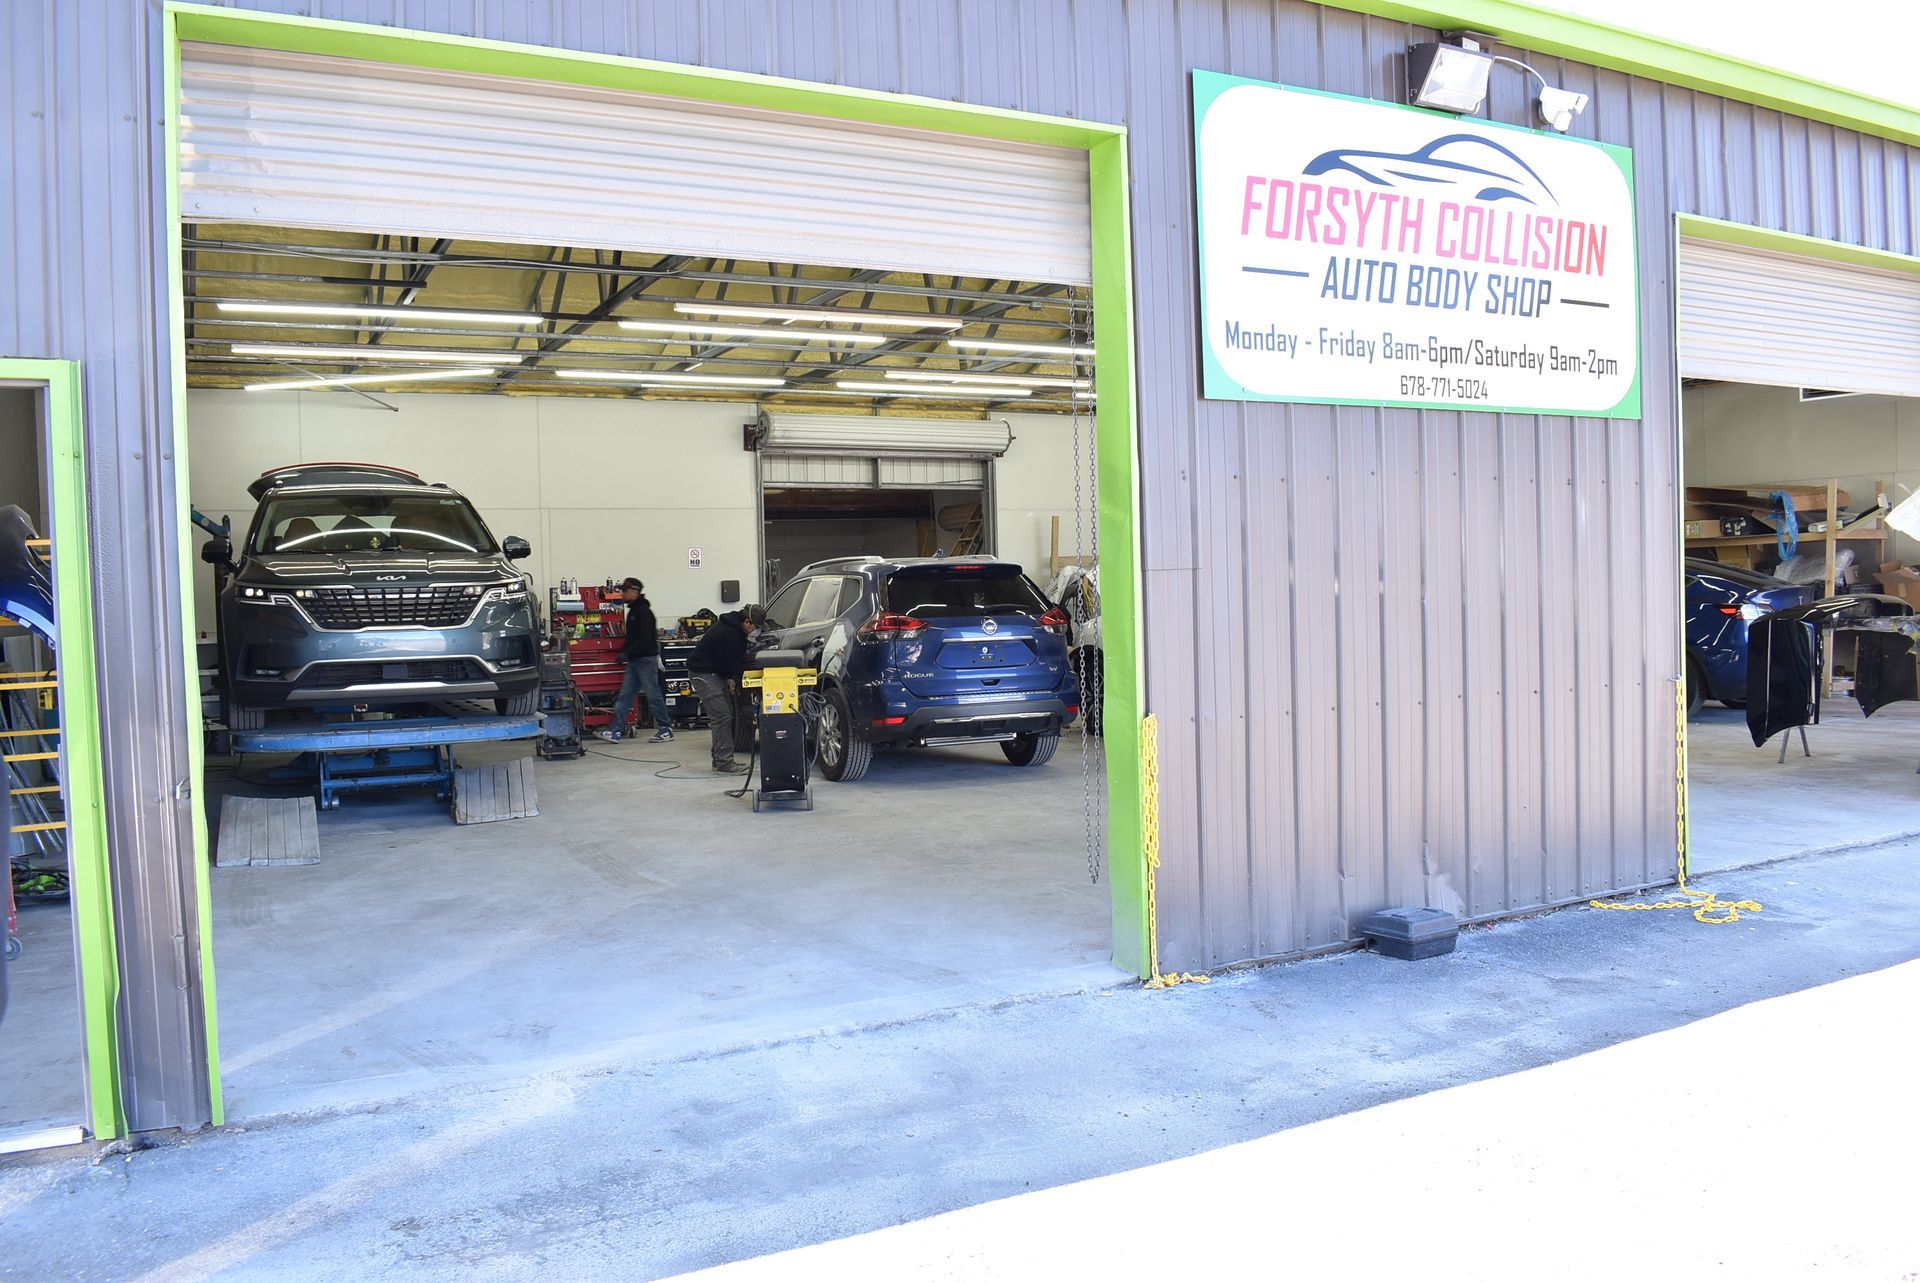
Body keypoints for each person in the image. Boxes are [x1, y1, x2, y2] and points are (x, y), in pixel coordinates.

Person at [683, 603, 766, 774]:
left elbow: (727, 661)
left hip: (714, 672)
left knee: (726, 713)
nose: (756, 631)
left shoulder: (734, 627)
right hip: (703, 674)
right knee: (722, 717)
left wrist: (729, 677)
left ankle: (719, 758)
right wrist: (737, 678)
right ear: (748, 622)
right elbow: (735, 664)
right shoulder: (729, 634)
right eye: (756, 627)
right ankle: (724, 763)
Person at [596, 577, 674, 744]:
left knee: (653, 696)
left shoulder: (643, 612)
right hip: (635, 661)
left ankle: (666, 728)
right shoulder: (633, 612)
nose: (622, 594)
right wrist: (624, 651)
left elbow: (644, 639)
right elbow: (634, 638)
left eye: (624, 591)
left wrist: (627, 653)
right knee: (625, 696)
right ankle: (615, 731)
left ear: (634, 591)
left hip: (645, 660)